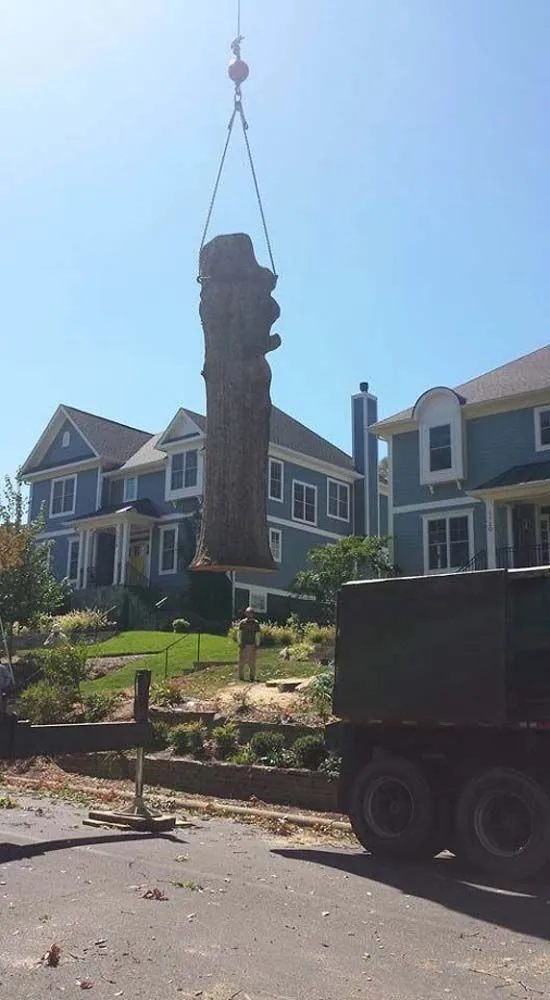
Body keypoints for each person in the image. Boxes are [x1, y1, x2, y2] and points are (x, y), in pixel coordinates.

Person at [237, 606, 261, 682]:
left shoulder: (256, 623)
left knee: (252, 662)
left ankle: (252, 677)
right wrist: (239, 642)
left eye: (250, 613)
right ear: (245, 613)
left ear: (253, 614)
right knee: (242, 661)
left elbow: (257, 634)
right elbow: (239, 633)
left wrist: (257, 644)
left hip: (252, 645)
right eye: (247, 613)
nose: (249, 614)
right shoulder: (242, 623)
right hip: (243, 645)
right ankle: (241, 677)